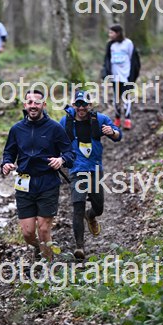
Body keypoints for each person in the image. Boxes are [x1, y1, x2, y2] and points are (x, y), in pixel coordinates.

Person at [1, 89, 75, 260]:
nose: (33, 106)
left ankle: (49, 267)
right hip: (24, 183)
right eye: (30, 102)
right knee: (28, 233)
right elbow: (9, 152)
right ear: (25, 105)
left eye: (37, 102)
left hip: (47, 182)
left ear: (44, 105)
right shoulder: (17, 129)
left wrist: (61, 159)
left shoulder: (54, 128)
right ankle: (40, 248)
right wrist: (6, 163)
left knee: (43, 229)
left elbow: (70, 153)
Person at [60, 90, 122, 261]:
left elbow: (118, 135)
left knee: (99, 207)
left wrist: (112, 132)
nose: (81, 108)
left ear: (90, 105)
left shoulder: (99, 119)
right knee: (77, 207)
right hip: (76, 168)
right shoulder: (65, 121)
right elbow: (54, 139)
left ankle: (91, 215)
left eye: (84, 104)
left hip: (94, 168)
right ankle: (79, 247)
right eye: (78, 104)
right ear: (73, 105)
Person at [103, 23, 134, 129]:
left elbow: (132, 58)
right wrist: (107, 73)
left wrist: (132, 75)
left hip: (126, 76)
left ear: (118, 33)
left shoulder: (128, 43)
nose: (110, 35)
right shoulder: (110, 45)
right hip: (115, 77)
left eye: (111, 33)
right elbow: (107, 59)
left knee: (126, 97)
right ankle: (117, 119)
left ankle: (127, 119)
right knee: (116, 98)